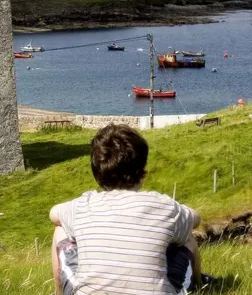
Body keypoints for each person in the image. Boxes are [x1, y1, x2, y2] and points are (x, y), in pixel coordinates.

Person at [49, 124, 214, 295]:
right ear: (143, 174)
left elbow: (53, 214)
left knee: (60, 229)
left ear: (97, 176)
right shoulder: (164, 206)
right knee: (186, 234)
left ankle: (58, 292)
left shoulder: (83, 205)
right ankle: (199, 282)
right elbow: (196, 219)